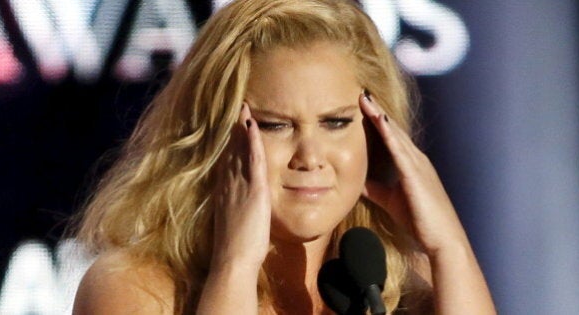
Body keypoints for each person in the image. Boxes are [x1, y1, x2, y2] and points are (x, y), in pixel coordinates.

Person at [71, 0, 496, 314]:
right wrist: (235, 266)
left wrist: (449, 246)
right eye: (276, 125)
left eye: (335, 122)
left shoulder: (402, 291)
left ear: (377, 132)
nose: (310, 157)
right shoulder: (136, 291)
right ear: (217, 136)